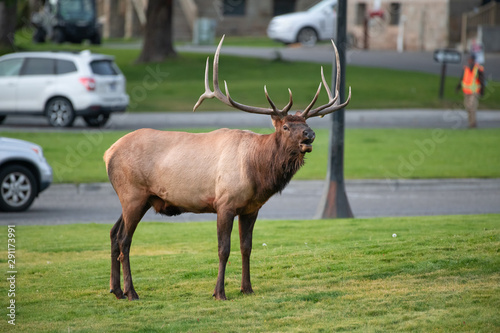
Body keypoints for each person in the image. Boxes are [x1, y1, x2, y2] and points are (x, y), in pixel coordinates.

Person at [456, 54, 485, 128]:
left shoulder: (478, 68)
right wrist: (458, 87)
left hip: (474, 91)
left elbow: (482, 80)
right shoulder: (466, 68)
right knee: (468, 107)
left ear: (473, 60)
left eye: (470, 59)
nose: (469, 61)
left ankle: (473, 123)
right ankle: (470, 123)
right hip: (466, 91)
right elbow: (462, 78)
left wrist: (482, 91)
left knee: (472, 107)